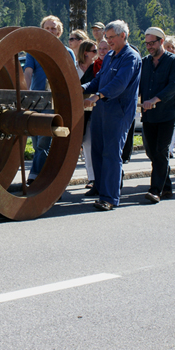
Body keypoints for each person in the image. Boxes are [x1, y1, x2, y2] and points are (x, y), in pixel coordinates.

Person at [82, 21, 142, 210]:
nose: (107, 41)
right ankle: (101, 190)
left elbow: (119, 83)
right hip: (101, 110)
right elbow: (98, 80)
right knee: (97, 150)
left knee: (111, 153)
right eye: (106, 37)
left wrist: (98, 96)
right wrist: (79, 88)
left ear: (123, 36)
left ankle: (110, 198)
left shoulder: (131, 57)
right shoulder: (108, 56)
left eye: (111, 37)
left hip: (118, 111)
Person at [23, 15, 76, 184]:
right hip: (35, 100)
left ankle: (35, 175)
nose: (50, 31)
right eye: (47, 28)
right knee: (36, 138)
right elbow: (28, 72)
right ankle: (43, 174)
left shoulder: (67, 52)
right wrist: (25, 93)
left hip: (54, 101)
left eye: (54, 28)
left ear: (59, 31)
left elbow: (71, 77)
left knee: (43, 140)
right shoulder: (34, 51)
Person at [139, 27, 175, 203]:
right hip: (149, 115)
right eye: (147, 43)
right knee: (152, 152)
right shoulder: (145, 62)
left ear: (161, 42)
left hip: (166, 114)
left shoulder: (174, 61)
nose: (149, 46)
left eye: (152, 43)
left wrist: (155, 100)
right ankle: (166, 186)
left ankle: (155, 189)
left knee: (161, 150)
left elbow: (173, 86)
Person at [77, 40, 98, 190]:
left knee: (89, 143)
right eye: (94, 51)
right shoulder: (74, 67)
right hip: (78, 110)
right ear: (86, 53)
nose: (97, 53)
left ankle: (92, 178)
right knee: (82, 142)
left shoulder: (97, 67)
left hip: (94, 108)